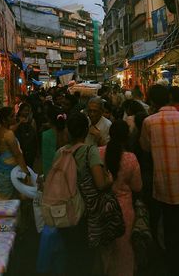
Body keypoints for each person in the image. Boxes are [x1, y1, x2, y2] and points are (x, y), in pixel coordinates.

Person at [140, 84, 179, 276]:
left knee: (171, 231)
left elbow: (145, 147)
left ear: (152, 102)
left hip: (166, 187)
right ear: (170, 98)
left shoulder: (149, 122)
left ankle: (174, 266)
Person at [56, 112, 113, 276]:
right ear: (85, 131)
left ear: (68, 131)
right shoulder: (90, 151)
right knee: (85, 254)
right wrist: (110, 180)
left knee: (71, 252)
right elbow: (100, 183)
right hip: (86, 210)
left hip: (66, 207)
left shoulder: (60, 152)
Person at [102, 120, 142, 276]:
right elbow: (138, 186)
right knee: (124, 248)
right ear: (127, 137)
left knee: (104, 248)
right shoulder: (131, 158)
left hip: (101, 206)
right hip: (124, 208)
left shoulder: (97, 152)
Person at [0, 107, 30, 201]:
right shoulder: (9, 134)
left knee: (4, 198)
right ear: (5, 120)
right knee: (12, 199)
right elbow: (17, 155)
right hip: (10, 171)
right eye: (12, 116)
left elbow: (11, 130)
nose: (15, 117)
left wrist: (19, 123)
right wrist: (26, 172)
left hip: (1, 171)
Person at [42, 105, 68, 177]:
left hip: (53, 174)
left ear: (48, 118)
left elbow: (47, 161)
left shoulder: (46, 135)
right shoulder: (67, 132)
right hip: (67, 170)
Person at [14, 103, 38, 168]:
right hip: (19, 147)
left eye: (28, 111)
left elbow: (35, 135)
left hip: (30, 149)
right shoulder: (15, 120)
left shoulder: (31, 120)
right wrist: (19, 122)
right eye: (25, 110)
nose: (27, 112)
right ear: (20, 110)